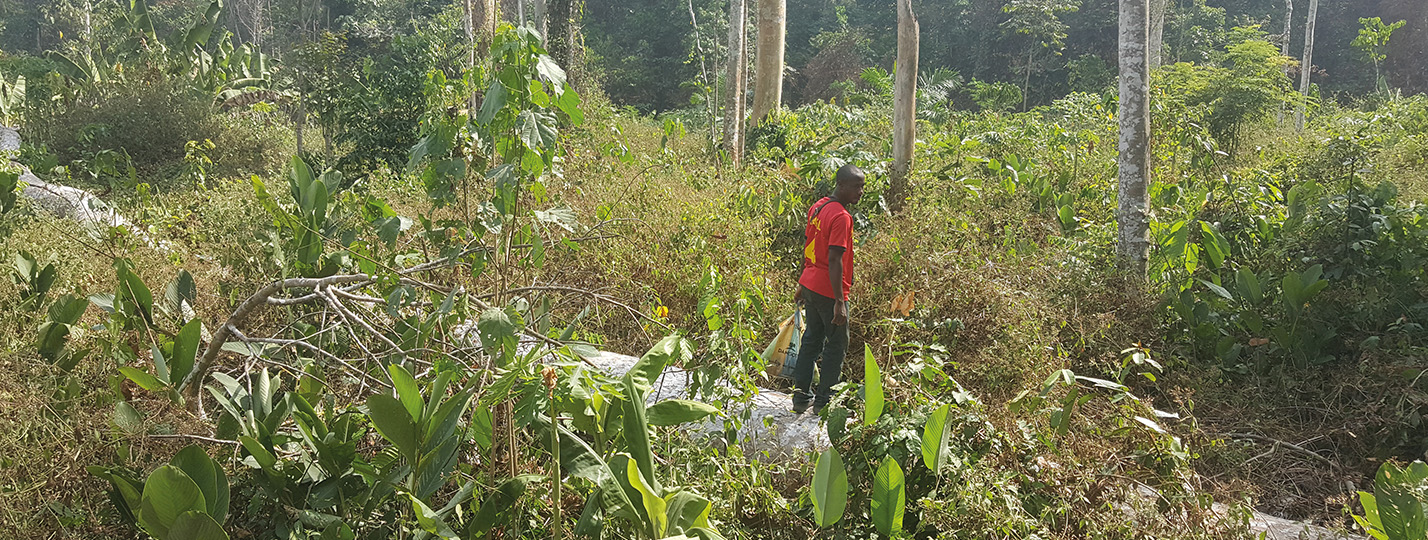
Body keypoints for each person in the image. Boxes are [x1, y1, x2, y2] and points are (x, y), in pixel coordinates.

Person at [791, 164, 865, 414]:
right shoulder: (842, 217)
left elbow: (808, 245)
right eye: (856, 186)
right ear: (841, 185)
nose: (860, 192)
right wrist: (839, 301)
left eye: (863, 187)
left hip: (811, 284)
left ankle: (801, 398)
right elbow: (835, 260)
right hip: (828, 290)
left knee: (811, 339)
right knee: (836, 346)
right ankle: (824, 401)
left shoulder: (819, 206)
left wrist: (802, 281)